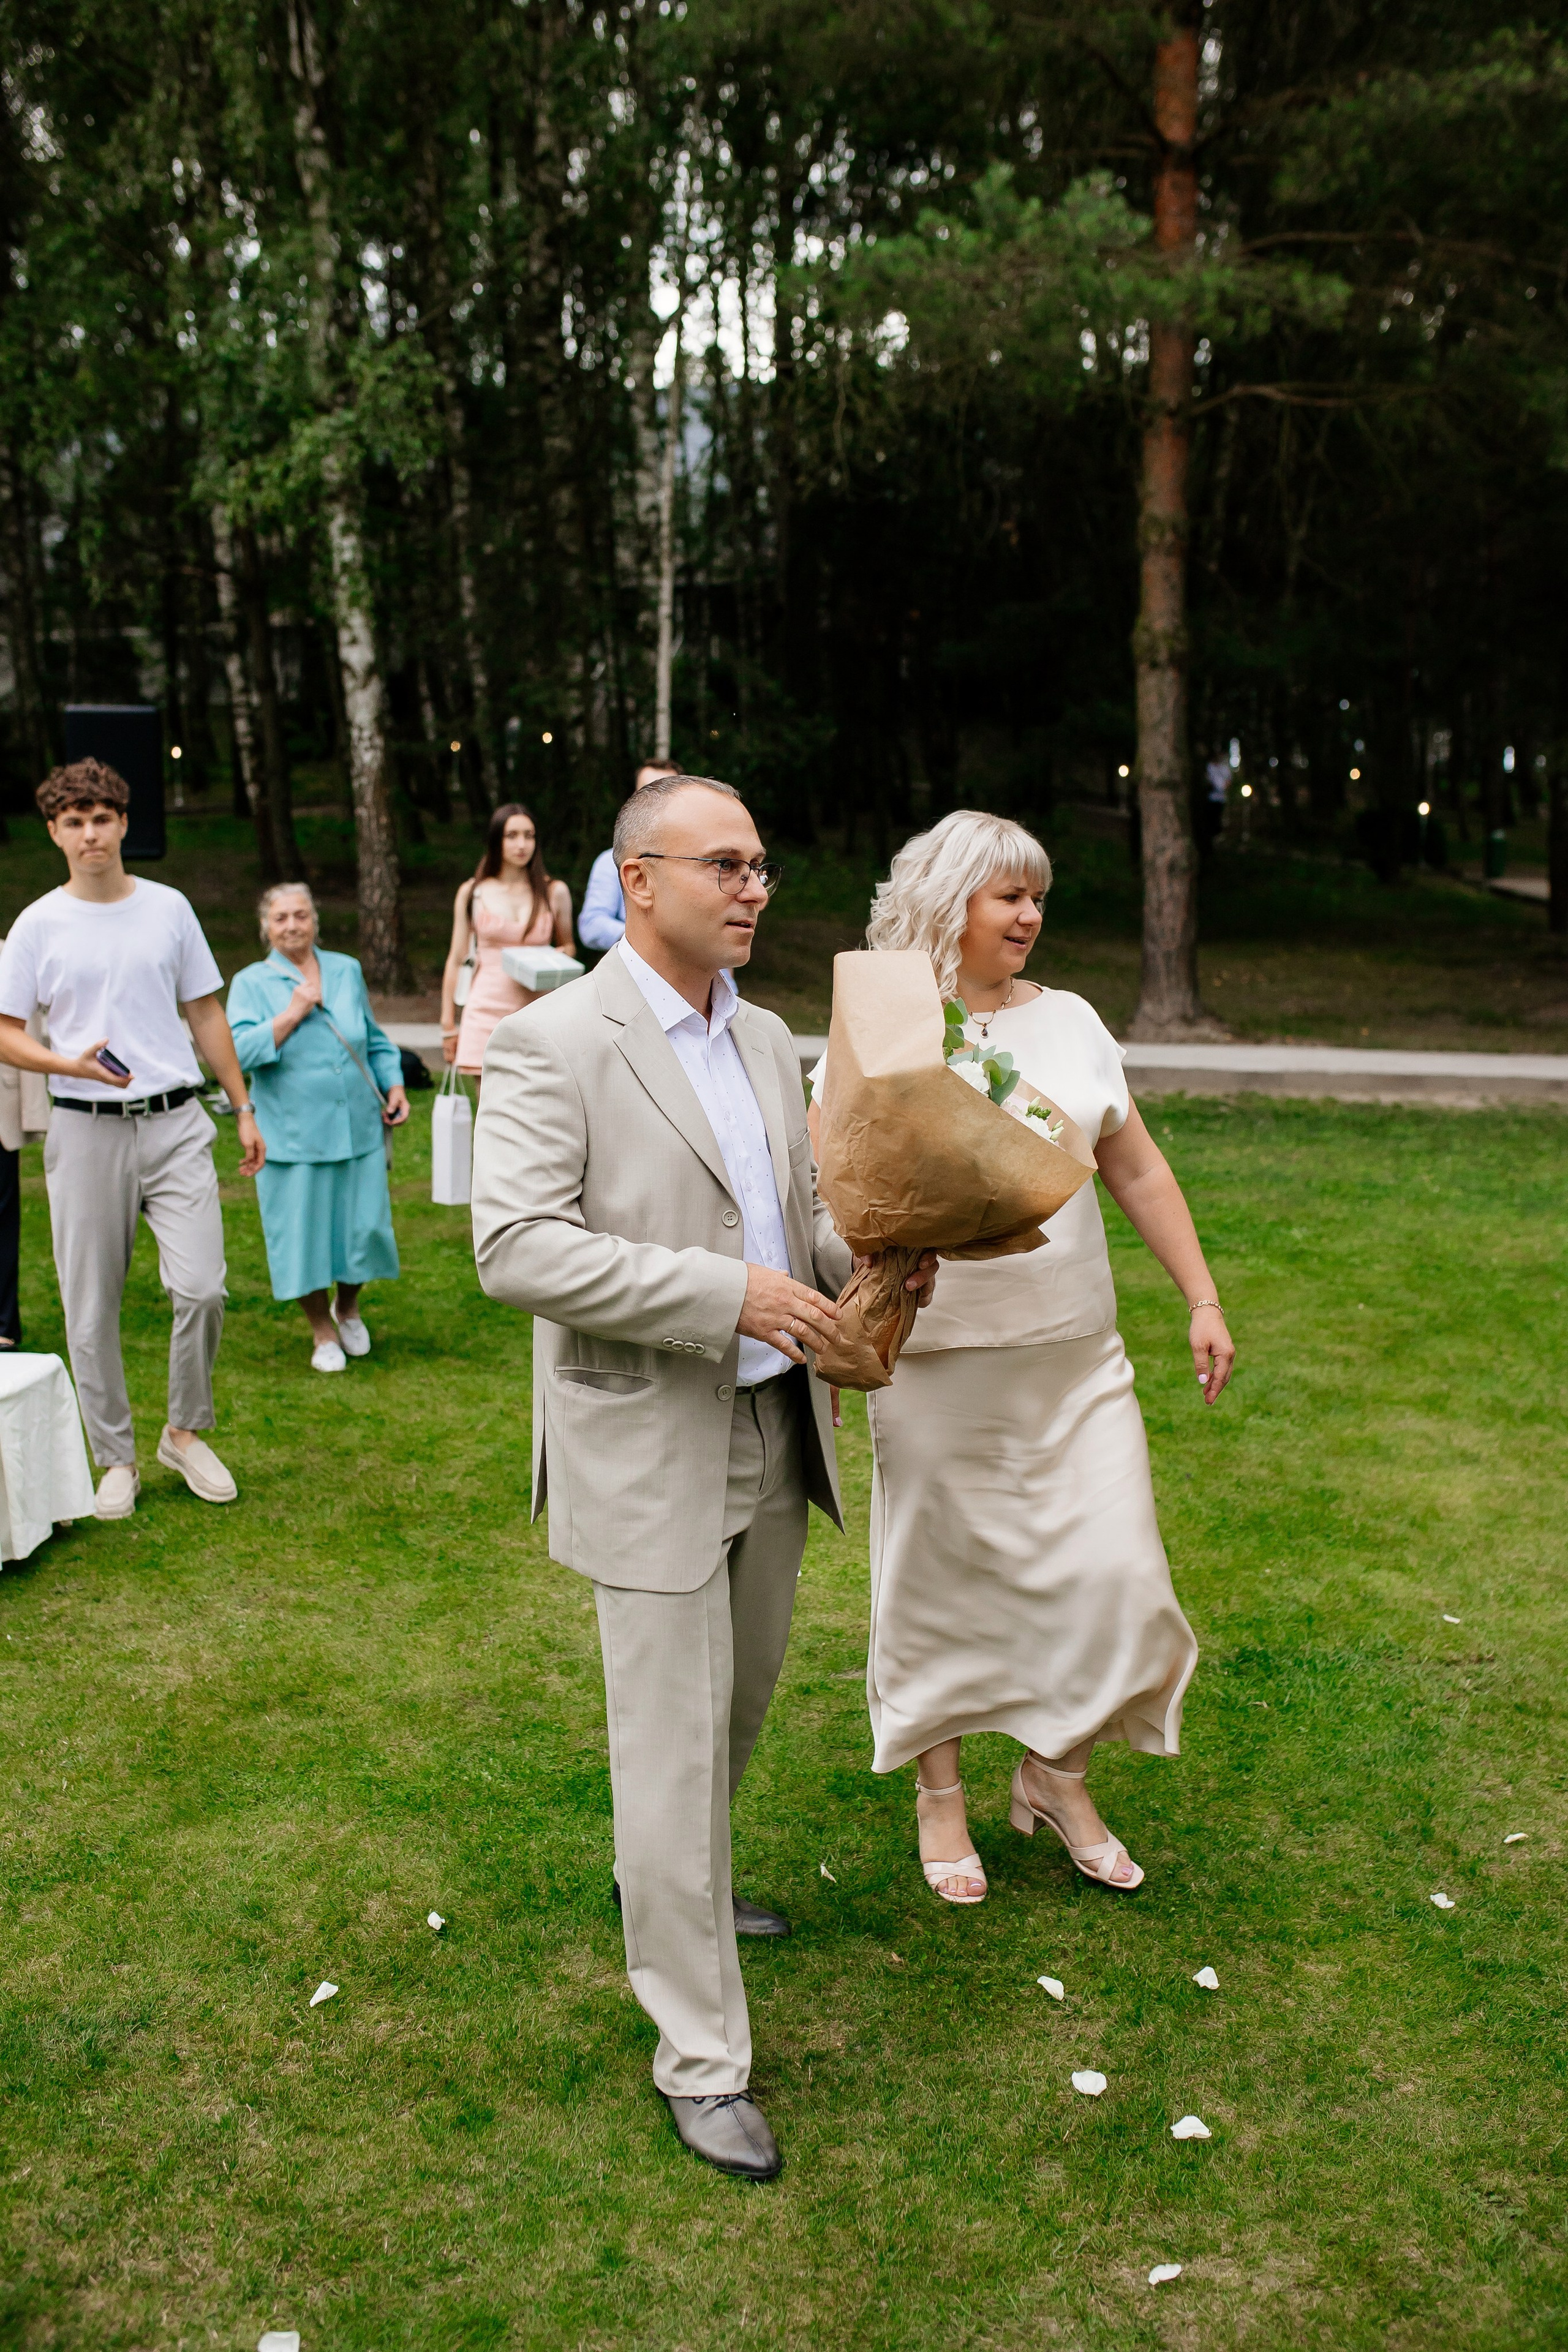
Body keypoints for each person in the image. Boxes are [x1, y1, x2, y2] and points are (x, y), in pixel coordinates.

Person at [472, 772, 935, 2182]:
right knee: (666, 1749)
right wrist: (718, 1291)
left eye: (760, 864)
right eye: (724, 864)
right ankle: (699, 2054)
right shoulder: (558, 1040)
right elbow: (513, 1249)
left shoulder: (772, 1030)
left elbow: (786, 1212)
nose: (752, 887)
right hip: (642, 1435)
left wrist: (868, 1268)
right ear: (639, 880)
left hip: (771, 1427)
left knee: (731, 1712)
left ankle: (675, 1883)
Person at [807, 810, 1233, 1906]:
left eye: (1037, 897)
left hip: (1077, 1362)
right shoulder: (886, 1028)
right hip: (942, 1364)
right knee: (938, 1588)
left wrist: (1201, 1297)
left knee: (1119, 1579)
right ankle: (940, 1796)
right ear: (953, 902)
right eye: (1010, 897)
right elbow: (833, 1190)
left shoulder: (1078, 1022)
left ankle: (1057, 1773)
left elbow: (1134, 1169)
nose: (1032, 916)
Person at [0, 759, 264, 1519]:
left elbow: (206, 1013)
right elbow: (7, 1031)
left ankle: (182, 1433)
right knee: (89, 1309)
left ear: (123, 824)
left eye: (102, 818)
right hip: (84, 1128)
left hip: (178, 1122)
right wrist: (63, 1063)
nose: (91, 833)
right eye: (74, 821)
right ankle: (114, 1457)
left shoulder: (169, 909)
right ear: (55, 832)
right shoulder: (38, 923)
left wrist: (241, 1107)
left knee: (203, 1286)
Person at [225, 883, 409, 1373]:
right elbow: (236, 1053)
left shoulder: (345, 969)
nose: (292, 925)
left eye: (300, 915)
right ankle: (320, 1330)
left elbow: (372, 1038)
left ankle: (347, 1308)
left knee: (363, 1229)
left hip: (356, 1128)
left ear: (314, 921)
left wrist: (393, 1084)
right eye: (281, 917)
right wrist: (292, 1013)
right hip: (293, 1135)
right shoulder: (251, 982)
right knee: (303, 1237)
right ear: (265, 926)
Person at [440, 803, 575, 1087]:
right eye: (512, 836)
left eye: (530, 835)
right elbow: (456, 959)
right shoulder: (472, 892)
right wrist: (448, 1025)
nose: (522, 844)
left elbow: (569, 946)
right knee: (488, 1110)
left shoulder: (554, 891)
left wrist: (555, 957)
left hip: (539, 1007)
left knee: (540, 1102)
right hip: (486, 1005)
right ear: (496, 840)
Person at [578, 758, 681, 951]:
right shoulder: (610, 862)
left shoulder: (708, 859)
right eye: (648, 792)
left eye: (667, 793)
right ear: (634, 799)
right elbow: (592, 926)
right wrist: (652, 941)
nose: (657, 802)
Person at [0, 958, 50, 1349]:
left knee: (1, 1220)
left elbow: (28, 1030)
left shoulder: (10, 954)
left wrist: (33, 1113)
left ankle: (3, 1325)